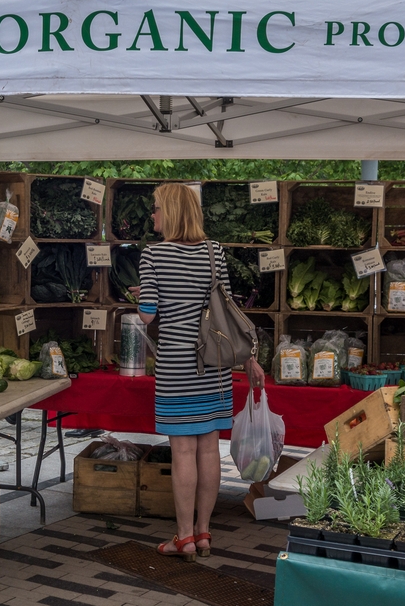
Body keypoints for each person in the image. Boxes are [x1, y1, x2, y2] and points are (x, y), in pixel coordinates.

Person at [134, 183, 264, 562]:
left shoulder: (152, 255)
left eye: (156, 208)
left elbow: (147, 314)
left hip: (176, 363)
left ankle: (184, 537)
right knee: (209, 448)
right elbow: (221, 304)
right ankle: (205, 533)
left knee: (182, 452)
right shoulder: (214, 251)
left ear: (171, 212)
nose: (152, 215)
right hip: (215, 362)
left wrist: (142, 292)